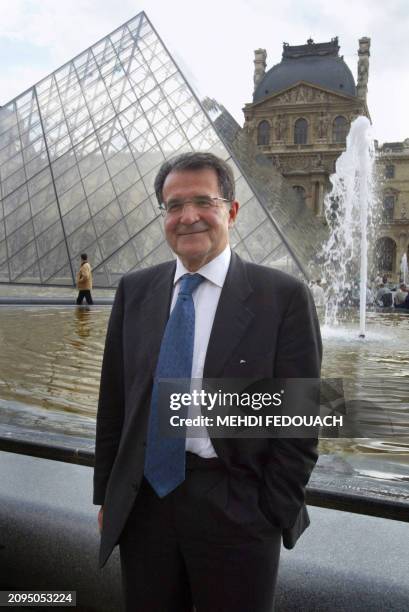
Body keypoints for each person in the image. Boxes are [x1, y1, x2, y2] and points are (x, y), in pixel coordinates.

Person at [93, 152, 322, 612]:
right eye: (174, 206)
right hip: (145, 506)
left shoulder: (283, 296)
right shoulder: (135, 290)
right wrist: (107, 496)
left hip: (236, 502)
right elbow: (115, 402)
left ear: (232, 211)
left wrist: (269, 510)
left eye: (204, 201)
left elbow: (302, 420)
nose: (188, 216)